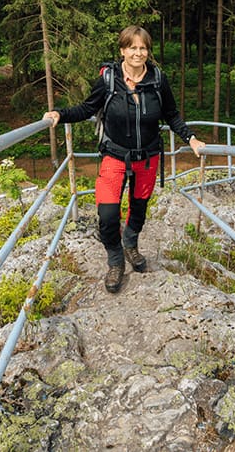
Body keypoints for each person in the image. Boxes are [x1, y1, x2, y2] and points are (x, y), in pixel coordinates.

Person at [44, 25, 205, 294]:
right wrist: (60, 114)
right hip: (115, 156)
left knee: (138, 209)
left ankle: (130, 245)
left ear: (148, 51)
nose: (138, 53)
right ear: (122, 50)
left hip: (148, 158)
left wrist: (191, 139)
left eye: (143, 48)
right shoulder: (109, 80)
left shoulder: (158, 79)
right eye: (132, 48)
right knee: (107, 215)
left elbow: (171, 114)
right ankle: (115, 260)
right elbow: (87, 108)